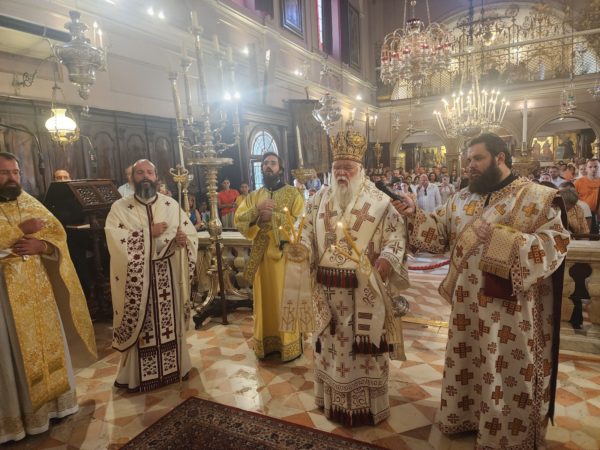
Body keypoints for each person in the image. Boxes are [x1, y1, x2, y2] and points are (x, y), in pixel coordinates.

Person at [393, 133, 569, 449]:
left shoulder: (535, 197)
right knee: (470, 363)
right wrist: (413, 214)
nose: (470, 166)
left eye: (477, 158)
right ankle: (467, 417)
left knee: (504, 367)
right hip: (467, 306)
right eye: (468, 160)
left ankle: (506, 433)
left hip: (510, 311)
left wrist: (504, 240)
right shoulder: (461, 198)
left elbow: (555, 242)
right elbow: (437, 235)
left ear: (500, 158)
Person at [298, 130, 409, 426]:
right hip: (326, 293)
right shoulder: (318, 199)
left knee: (363, 351)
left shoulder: (380, 201)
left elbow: (396, 236)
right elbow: (304, 229)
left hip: (365, 291)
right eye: (337, 168)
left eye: (347, 167)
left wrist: (386, 261)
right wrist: (301, 248)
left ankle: (369, 408)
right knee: (330, 347)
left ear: (360, 169)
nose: (341, 173)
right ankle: (329, 402)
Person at [0, 152, 96, 444]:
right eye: (4, 173)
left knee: (46, 346)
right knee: (10, 355)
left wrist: (41, 245)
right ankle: (18, 420)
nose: (11, 178)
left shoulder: (29, 202)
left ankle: (55, 408)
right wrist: (19, 231)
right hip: (4, 298)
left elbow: (57, 236)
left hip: (38, 291)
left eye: (15, 172)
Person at [105, 159, 198, 392]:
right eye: (140, 173)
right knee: (143, 327)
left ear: (156, 177)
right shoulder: (119, 208)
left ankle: (175, 368)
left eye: (149, 172)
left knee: (170, 325)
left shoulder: (171, 204)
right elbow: (114, 240)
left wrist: (183, 242)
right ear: (131, 178)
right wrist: (148, 233)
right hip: (138, 283)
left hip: (169, 278)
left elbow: (190, 235)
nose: (145, 176)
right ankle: (138, 377)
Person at [234, 152, 304, 362]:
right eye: (265, 163)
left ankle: (288, 344)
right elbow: (239, 220)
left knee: (284, 300)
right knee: (264, 301)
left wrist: (273, 217)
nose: (268, 166)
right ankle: (265, 343)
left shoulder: (293, 194)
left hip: (284, 257)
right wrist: (257, 210)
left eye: (273, 163)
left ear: (280, 169)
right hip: (261, 257)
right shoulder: (255, 196)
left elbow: (301, 223)